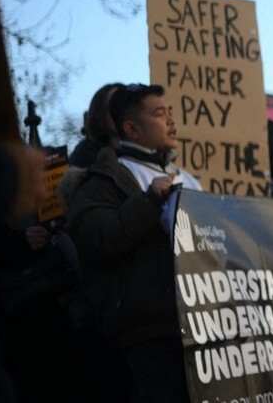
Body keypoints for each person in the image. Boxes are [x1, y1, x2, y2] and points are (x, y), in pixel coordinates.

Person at [66, 83, 202, 403]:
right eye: (159, 113)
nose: (171, 121)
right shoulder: (104, 180)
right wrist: (149, 201)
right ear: (131, 128)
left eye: (170, 112)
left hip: (196, 326)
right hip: (149, 333)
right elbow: (102, 237)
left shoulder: (189, 178)